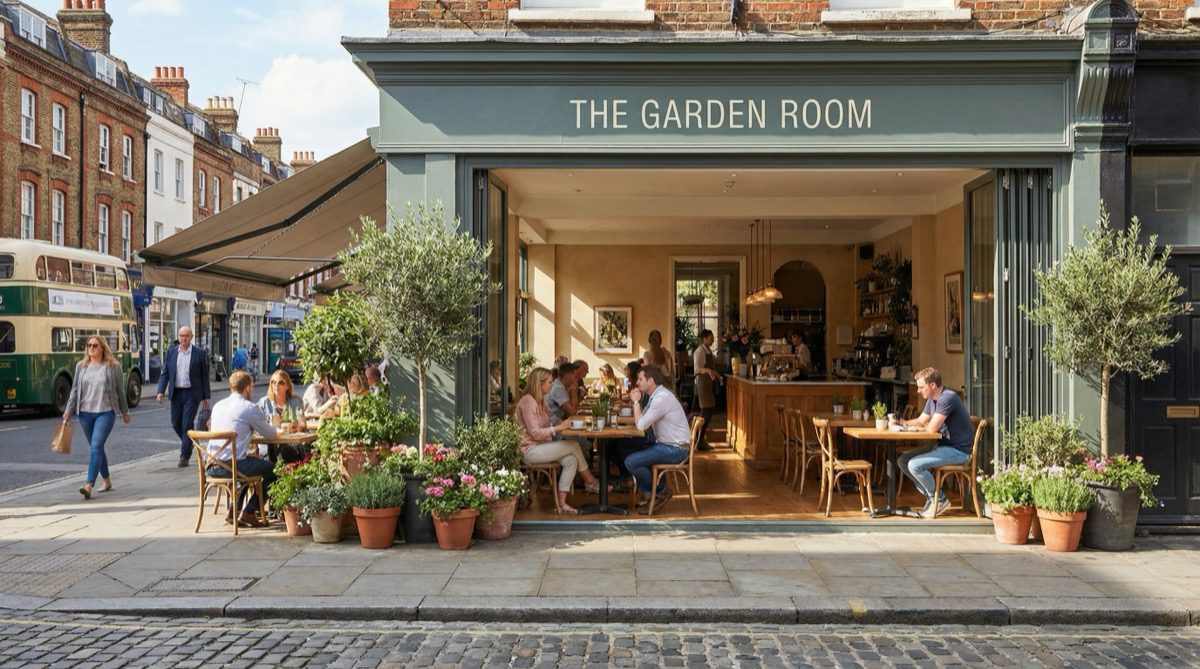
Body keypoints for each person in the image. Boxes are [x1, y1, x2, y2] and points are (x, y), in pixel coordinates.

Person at [513, 367, 603, 515]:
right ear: (539, 383)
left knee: (571, 460)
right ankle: (591, 482)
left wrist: (557, 426)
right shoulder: (528, 402)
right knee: (574, 445)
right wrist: (559, 428)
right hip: (530, 451)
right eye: (549, 382)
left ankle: (561, 504)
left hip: (541, 446)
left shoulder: (540, 400)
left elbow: (544, 427)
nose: (552, 385)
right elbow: (535, 433)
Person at [893, 367, 975, 518]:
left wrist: (925, 426)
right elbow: (920, 421)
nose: (918, 391)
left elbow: (931, 429)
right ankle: (934, 498)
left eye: (921, 387)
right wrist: (902, 423)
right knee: (903, 461)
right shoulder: (932, 400)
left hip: (959, 451)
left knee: (914, 465)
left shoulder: (947, 397)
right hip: (943, 446)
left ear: (932, 385)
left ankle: (940, 500)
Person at [63, 335, 131, 499]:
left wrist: (125, 412)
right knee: (97, 448)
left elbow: (120, 391)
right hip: (85, 414)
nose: (91, 348)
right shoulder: (81, 366)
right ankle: (106, 481)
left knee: (95, 446)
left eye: (95, 345)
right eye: (89, 345)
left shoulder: (113, 366)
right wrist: (68, 410)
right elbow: (74, 390)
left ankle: (89, 484)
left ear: (102, 348)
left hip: (105, 413)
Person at [208, 371, 276, 528]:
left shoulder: (218, 406)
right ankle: (249, 512)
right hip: (233, 466)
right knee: (276, 471)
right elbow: (270, 434)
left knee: (249, 464)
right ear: (248, 388)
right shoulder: (249, 407)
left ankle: (234, 510)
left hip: (211, 466)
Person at [625, 364, 692, 515]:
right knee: (624, 445)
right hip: (665, 443)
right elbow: (644, 420)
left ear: (651, 381)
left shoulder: (661, 398)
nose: (637, 382)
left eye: (640, 379)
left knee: (631, 461)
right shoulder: (656, 395)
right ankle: (650, 493)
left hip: (676, 449)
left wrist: (636, 402)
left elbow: (641, 425)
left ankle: (661, 491)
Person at [156, 326, 211, 468]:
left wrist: (206, 396)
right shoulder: (172, 352)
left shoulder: (199, 354)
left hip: (192, 393)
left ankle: (184, 457)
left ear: (191, 337)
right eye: (181, 335)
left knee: (187, 423)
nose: (184, 338)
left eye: (186, 336)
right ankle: (190, 442)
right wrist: (160, 391)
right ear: (178, 337)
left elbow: (204, 376)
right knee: (175, 423)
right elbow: (165, 373)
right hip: (176, 393)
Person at [692, 329, 719, 451]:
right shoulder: (699, 351)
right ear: (704, 339)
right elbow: (697, 369)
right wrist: (708, 371)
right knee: (705, 411)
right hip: (702, 383)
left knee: (710, 409)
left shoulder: (708, 351)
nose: (713, 340)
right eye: (711, 337)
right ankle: (699, 440)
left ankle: (700, 438)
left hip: (708, 383)